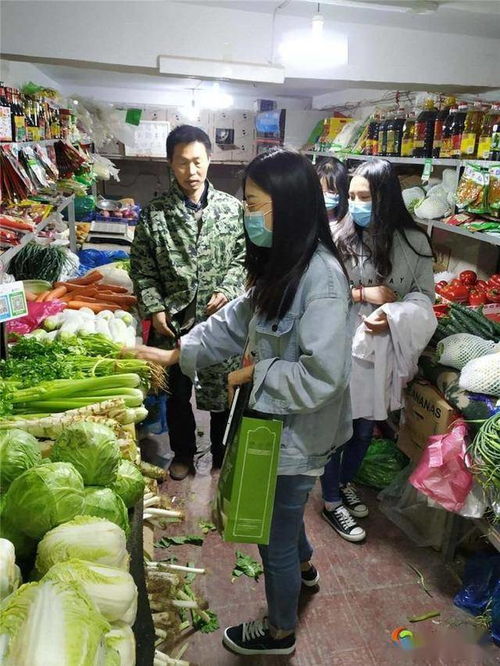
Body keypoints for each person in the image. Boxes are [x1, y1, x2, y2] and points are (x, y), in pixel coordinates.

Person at [129, 149, 353, 656]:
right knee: (286, 515)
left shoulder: (322, 279)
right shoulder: (285, 262)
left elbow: (326, 375)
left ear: (289, 205)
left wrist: (256, 372)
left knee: (272, 531)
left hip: (300, 429)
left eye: (254, 204)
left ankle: (279, 631)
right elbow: (235, 320)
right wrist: (176, 352)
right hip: (274, 419)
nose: (247, 215)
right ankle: (304, 570)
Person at [319, 158, 435, 543]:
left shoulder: (415, 243)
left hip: (381, 348)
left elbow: (424, 296)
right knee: (337, 428)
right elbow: (318, 292)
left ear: (385, 198)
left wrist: (395, 314)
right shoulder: (338, 237)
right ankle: (332, 499)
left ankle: (346, 481)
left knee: (365, 429)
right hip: (339, 341)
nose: (355, 203)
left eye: (364, 196)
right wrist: (361, 293)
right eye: (351, 196)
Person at [130, 125, 246, 480]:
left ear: (210, 159)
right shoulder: (155, 214)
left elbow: (243, 259)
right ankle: (183, 453)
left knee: (222, 393)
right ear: (170, 164)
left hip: (221, 323)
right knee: (177, 396)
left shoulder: (232, 209)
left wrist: (228, 287)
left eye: (198, 162)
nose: (191, 172)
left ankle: (220, 456)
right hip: (173, 325)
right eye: (182, 163)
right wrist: (154, 307)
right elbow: (142, 269)